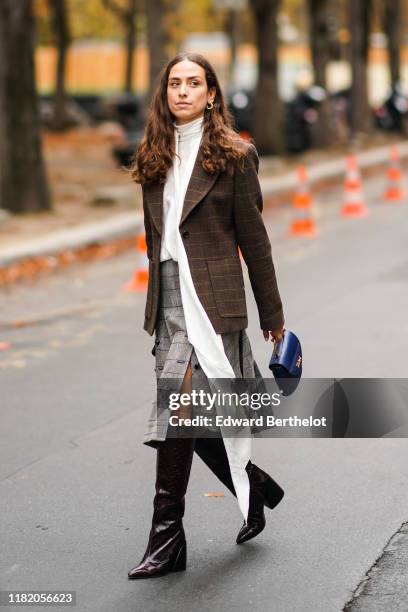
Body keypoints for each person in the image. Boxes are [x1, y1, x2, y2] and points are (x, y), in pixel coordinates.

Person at [127, 52, 285, 579]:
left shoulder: (235, 155)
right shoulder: (153, 153)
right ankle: (255, 484)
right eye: (175, 82)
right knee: (186, 410)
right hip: (172, 297)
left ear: (212, 93)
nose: (183, 91)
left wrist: (272, 313)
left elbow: (254, 238)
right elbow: (156, 239)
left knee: (179, 407)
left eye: (195, 82)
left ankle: (166, 538)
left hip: (212, 297)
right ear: (165, 92)